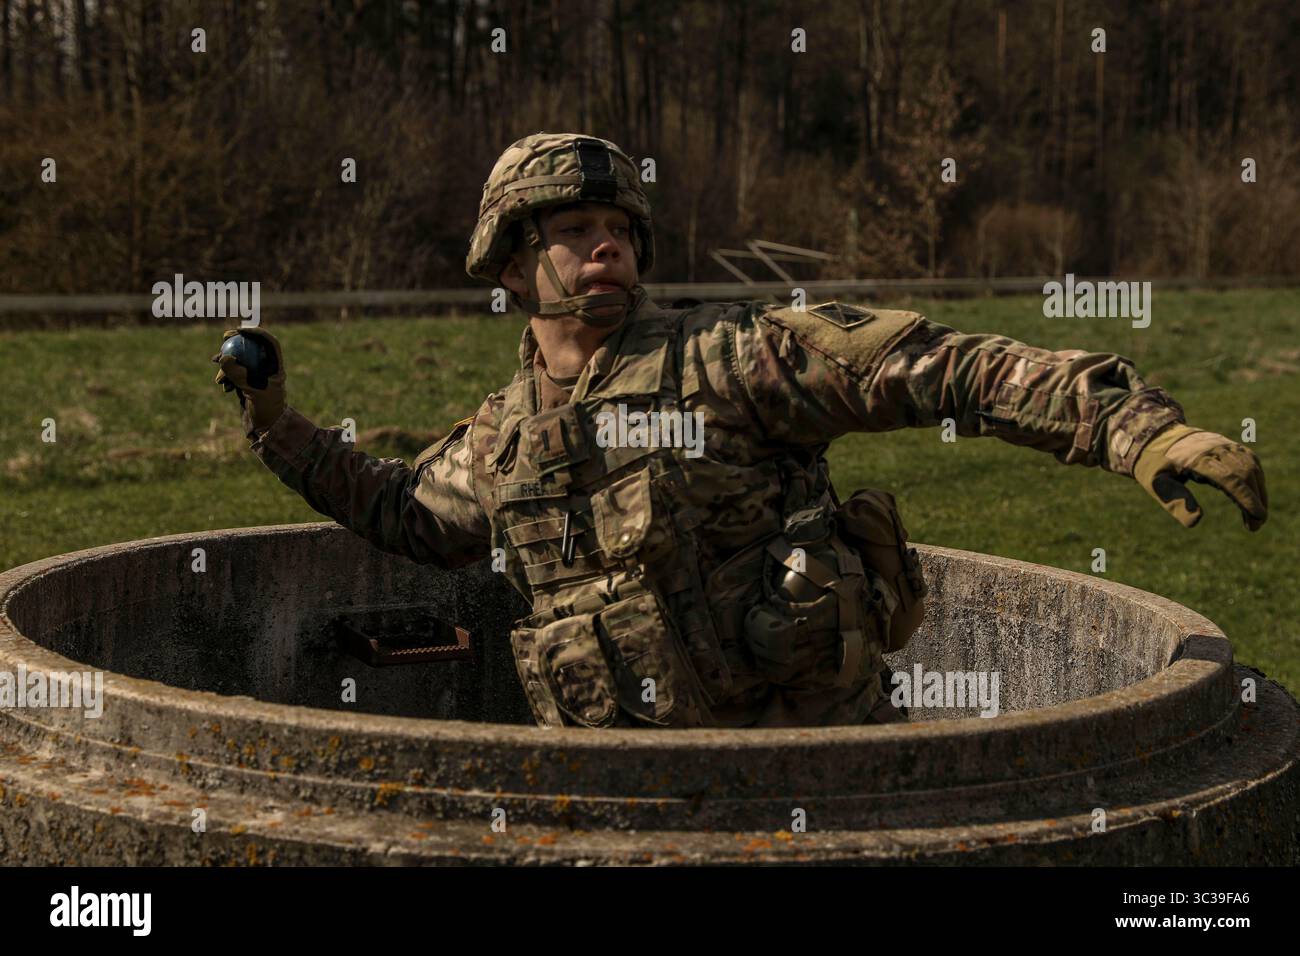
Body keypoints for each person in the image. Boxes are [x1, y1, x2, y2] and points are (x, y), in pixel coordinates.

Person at [212, 132, 1268, 730]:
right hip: (631, 805)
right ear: (508, 267)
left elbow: (943, 366)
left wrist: (1133, 428)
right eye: (575, 232)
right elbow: (400, 507)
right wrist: (275, 425)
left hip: (819, 779)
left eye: (622, 231)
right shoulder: (503, 441)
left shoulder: (732, 358)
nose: (606, 250)